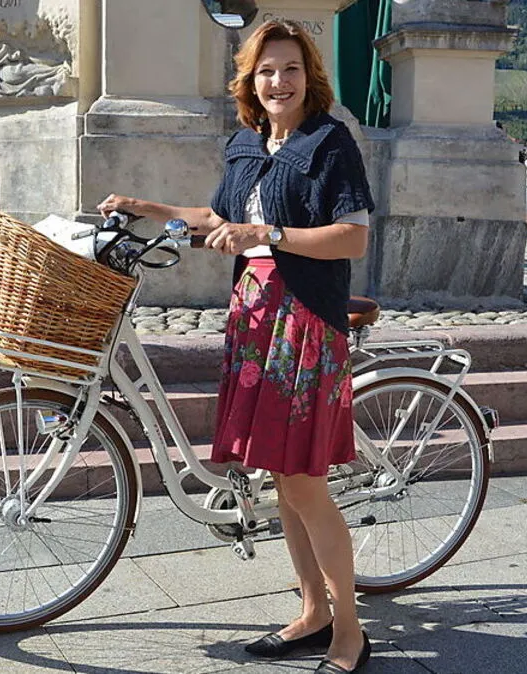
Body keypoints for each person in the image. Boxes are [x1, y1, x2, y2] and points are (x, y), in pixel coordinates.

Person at [97, 19, 374, 674]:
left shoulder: (329, 142)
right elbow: (217, 219)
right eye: (267, 70)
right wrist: (146, 206)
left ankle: (351, 630)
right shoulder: (247, 144)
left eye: (291, 69)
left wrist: (268, 233)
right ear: (250, 80)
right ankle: (312, 610)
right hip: (255, 323)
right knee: (283, 481)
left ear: (311, 78)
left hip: (305, 324)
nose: (279, 81)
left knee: (305, 486)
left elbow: (352, 236)